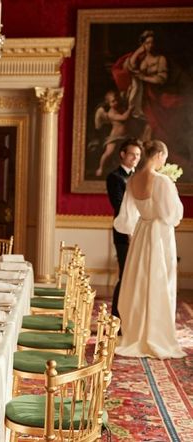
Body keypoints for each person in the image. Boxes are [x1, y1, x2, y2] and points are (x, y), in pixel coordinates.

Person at [114, 140, 185, 359]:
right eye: (164, 157)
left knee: (139, 281)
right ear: (159, 155)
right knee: (159, 281)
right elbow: (171, 216)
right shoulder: (162, 181)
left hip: (141, 232)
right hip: (159, 235)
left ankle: (136, 332)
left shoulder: (133, 179)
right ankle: (156, 334)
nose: (165, 161)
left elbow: (125, 218)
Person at [111, 30, 184, 144]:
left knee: (153, 124)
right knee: (139, 123)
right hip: (140, 95)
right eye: (147, 43)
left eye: (152, 42)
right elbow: (128, 67)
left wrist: (143, 77)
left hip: (154, 95)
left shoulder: (160, 59)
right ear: (143, 44)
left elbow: (161, 79)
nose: (151, 45)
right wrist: (138, 52)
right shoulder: (141, 57)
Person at [106, 138, 142, 320]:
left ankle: (132, 316)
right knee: (126, 274)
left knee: (137, 275)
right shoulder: (114, 177)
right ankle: (116, 318)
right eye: (132, 155)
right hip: (123, 233)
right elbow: (118, 205)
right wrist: (130, 230)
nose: (135, 158)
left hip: (141, 231)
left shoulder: (140, 176)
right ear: (122, 154)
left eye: (138, 155)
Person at [94, 90, 134, 177]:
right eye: (113, 101)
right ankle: (100, 168)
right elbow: (124, 117)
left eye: (117, 100)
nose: (116, 103)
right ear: (109, 104)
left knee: (126, 153)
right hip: (115, 136)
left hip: (124, 136)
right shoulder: (111, 113)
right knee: (109, 152)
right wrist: (130, 109)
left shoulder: (121, 108)